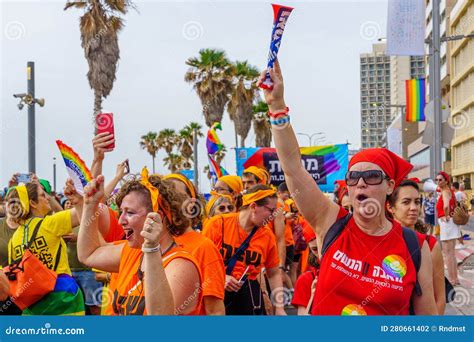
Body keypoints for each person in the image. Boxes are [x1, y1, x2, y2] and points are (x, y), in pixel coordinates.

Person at [259, 59, 437, 315]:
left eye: (372, 176)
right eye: (353, 177)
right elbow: (292, 167)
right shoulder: (331, 221)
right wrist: (276, 107)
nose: (361, 182)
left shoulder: (414, 245)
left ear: (389, 186)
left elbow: (426, 320)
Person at [77, 169, 202, 315]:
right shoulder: (132, 251)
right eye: (121, 212)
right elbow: (89, 254)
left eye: (130, 213)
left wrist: (151, 249)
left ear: (157, 218)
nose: (120, 221)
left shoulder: (181, 266)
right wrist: (90, 205)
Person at [202, 185, 286, 315]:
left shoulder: (267, 235)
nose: (273, 216)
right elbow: (199, 262)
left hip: (249, 295)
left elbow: (273, 273)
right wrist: (222, 277)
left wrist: (279, 308)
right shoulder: (217, 224)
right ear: (253, 207)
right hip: (216, 293)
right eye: (271, 210)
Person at [6, 179, 85, 315]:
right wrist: (79, 200)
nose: (47, 198)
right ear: (32, 203)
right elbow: (85, 214)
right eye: (43, 195)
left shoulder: (14, 239)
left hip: (33, 304)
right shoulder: (49, 223)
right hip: (62, 298)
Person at [163, 173, 226, 315]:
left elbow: (215, 311)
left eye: (175, 196)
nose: (169, 202)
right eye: (164, 197)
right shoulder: (155, 242)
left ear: (192, 204)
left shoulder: (204, 247)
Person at [388, 180, 446, 314]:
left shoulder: (430, 244)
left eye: (417, 202)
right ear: (391, 207)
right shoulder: (381, 243)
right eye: (406, 202)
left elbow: (440, 299)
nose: (414, 207)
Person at [436, 172, 461, 285]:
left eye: (440, 180)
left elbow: (446, 206)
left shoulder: (445, 192)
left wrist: (445, 215)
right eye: (437, 180)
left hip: (446, 223)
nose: (438, 182)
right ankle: (455, 279)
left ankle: (452, 279)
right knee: (452, 253)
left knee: (447, 253)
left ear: (446, 181)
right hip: (452, 223)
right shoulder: (450, 191)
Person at [291, 235, 319, 315]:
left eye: (325, 246)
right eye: (315, 249)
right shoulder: (307, 279)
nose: (321, 253)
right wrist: (313, 296)